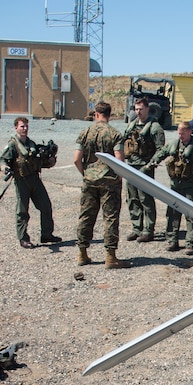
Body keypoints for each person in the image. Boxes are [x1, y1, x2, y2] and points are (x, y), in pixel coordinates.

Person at [74, 101, 130, 269]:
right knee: (110, 218)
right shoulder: (115, 134)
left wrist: (86, 173)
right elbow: (119, 160)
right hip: (109, 181)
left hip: (89, 180)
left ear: (96, 114)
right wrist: (119, 177)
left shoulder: (85, 132)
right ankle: (110, 257)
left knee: (86, 215)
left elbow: (76, 159)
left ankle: (82, 253)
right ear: (109, 115)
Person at [146, 122, 193, 255]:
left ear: (189, 132)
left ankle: (190, 243)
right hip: (175, 186)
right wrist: (152, 163)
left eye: (183, 133)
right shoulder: (173, 145)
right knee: (172, 213)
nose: (180, 136)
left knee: (191, 215)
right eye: (179, 133)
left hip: (190, 186)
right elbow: (162, 153)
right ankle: (172, 240)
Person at [0, 117, 60, 249]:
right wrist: (5, 168)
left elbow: (39, 162)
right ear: (16, 128)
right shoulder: (13, 145)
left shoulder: (31, 144)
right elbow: (3, 160)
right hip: (22, 180)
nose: (25, 129)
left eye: (26, 126)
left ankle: (47, 235)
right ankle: (23, 238)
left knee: (46, 206)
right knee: (22, 211)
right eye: (22, 126)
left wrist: (50, 159)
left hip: (35, 179)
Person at [123, 98, 166, 243]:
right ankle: (137, 228)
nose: (138, 112)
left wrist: (149, 166)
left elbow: (161, 150)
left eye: (141, 109)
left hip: (144, 168)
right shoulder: (132, 126)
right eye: (136, 109)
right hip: (131, 166)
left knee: (145, 199)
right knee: (132, 198)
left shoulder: (154, 128)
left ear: (147, 109)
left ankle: (148, 230)